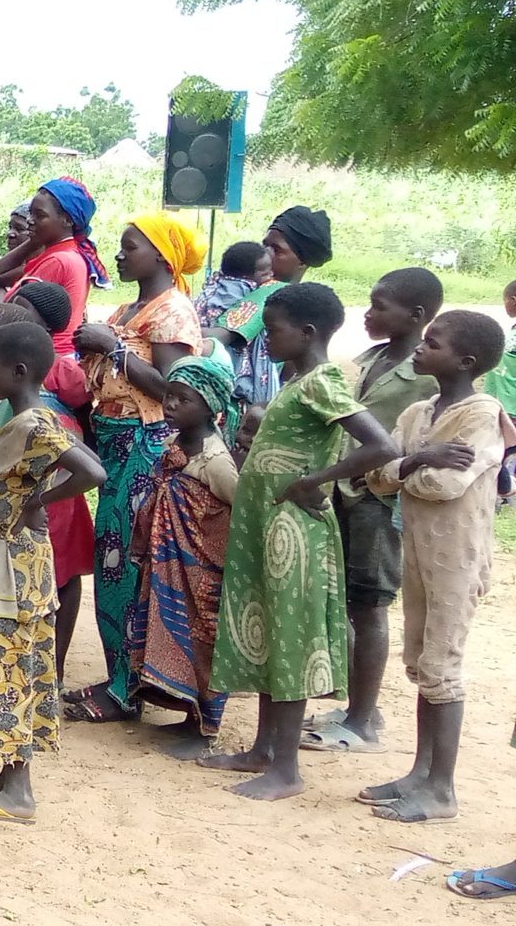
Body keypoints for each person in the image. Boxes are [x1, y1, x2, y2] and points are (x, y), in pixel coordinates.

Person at [200, 283, 399, 801]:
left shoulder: (322, 382)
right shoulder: (298, 379)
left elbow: (380, 444)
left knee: (288, 634)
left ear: (308, 332)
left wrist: (314, 481)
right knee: (268, 627)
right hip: (266, 524)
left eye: (274, 330)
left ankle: (286, 769)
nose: (266, 339)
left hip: (293, 527)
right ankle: (264, 749)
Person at [0, 320, 106, 825]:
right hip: (6, 565)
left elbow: (92, 472)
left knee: (13, 668)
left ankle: (18, 793)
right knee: (3, 665)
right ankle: (7, 773)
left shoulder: (36, 423)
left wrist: (39, 498)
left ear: (17, 371)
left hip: (16, 570)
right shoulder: (25, 419)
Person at [358, 310, 510, 824]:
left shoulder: (481, 414)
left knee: (442, 665)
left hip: (456, 557)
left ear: (466, 361)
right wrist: (421, 460)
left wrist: (409, 467)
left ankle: (441, 788)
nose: (421, 349)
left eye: (434, 344)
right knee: (421, 659)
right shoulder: (420, 411)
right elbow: (379, 477)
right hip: (420, 549)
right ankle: (420, 772)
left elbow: (446, 486)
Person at [64, 212, 205, 721]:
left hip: (145, 445)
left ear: (162, 257)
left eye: (129, 247)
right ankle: (120, 677)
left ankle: (126, 688)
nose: (120, 255)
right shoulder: (132, 306)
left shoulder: (173, 313)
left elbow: (173, 389)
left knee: (126, 560)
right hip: (115, 442)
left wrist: (112, 347)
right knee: (113, 560)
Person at [305, 267, 443, 754]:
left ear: (417, 315)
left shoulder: (428, 377)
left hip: (380, 502)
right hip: (346, 492)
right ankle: (356, 707)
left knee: (370, 603)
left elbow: (432, 441)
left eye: (380, 306)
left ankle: (363, 720)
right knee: (346, 599)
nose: (369, 313)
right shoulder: (372, 359)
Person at [132, 354, 240, 753]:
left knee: (204, 641)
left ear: (211, 406)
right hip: (171, 567)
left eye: (184, 399)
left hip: (203, 571)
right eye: (170, 396)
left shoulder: (216, 462)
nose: (171, 406)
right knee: (175, 635)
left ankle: (205, 729)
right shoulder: (174, 445)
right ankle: (186, 714)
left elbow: (236, 512)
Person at [211, 206, 334, 407]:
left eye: (276, 249)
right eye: (265, 245)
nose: (265, 254)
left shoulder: (269, 293)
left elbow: (219, 336)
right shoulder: (307, 304)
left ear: (302, 261)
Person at [0, 178, 103, 355]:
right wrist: (33, 240)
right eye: (30, 214)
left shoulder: (59, 261)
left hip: (45, 359)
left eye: (39, 215)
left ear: (67, 220)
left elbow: (11, 316)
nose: (30, 220)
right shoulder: (58, 254)